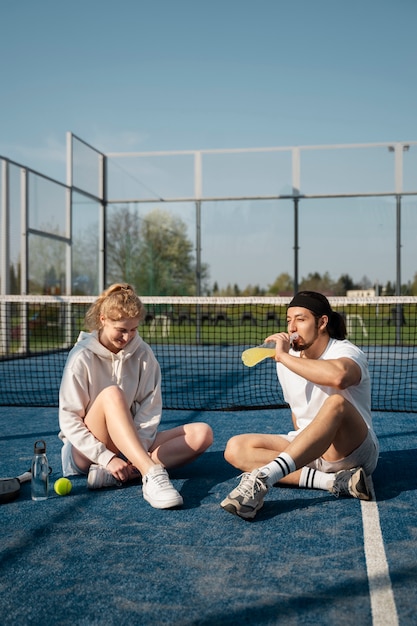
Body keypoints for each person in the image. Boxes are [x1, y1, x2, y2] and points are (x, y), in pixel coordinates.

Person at [220, 290, 379, 520]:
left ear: (322, 322)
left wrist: (284, 357)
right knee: (236, 448)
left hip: (352, 450)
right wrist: (285, 359)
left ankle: (264, 477)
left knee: (336, 403)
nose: (292, 327)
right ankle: (333, 482)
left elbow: (340, 377)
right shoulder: (287, 362)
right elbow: (298, 415)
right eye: (288, 320)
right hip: (313, 452)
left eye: (300, 319)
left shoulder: (345, 351)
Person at [58, 283, 213, 510]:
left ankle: (124, 472)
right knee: (112, 394)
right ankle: (150, 473)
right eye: (121, 329)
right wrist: (107, 457)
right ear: (103, 320)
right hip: (86, 451)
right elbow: (69, 419)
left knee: (202, 434)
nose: (127, 337)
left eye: (133, 330)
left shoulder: (143, 354)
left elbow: (150, 409)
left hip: (130, 444)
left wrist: (136, 447)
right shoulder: (80, 357)